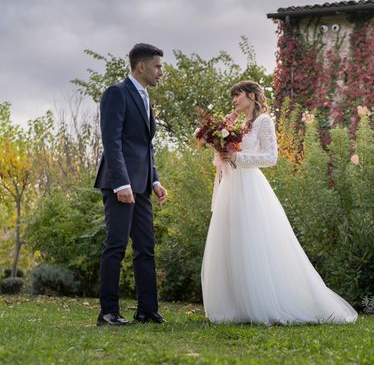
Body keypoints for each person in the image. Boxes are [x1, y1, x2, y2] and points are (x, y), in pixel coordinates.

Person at [201, 80, 357, 325]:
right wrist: (222, 152)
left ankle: (264, 303)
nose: (233, 101)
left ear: (252, 96)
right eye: (232, 97)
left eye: (237, 96)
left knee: (253, 242)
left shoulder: (264, 121)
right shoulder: (239, 124)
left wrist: (236, 156)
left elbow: (270, 158)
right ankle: (237, 305)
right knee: (233, 240)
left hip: (250, 188)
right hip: (232, 187)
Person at [94, 43, 168, 326]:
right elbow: (111, 141)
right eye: (158, 66)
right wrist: (121, 183)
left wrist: (156, 179)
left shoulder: (145, 98)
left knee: (146, 247)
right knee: (115, 245)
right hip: (119, 184)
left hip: (142, 184)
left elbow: (145, 146)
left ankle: (147, 310)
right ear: (141, 66)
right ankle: (108, 312)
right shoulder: (117, 93)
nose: (161, 72)